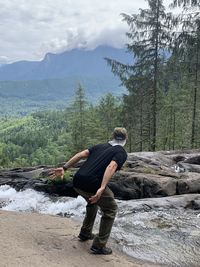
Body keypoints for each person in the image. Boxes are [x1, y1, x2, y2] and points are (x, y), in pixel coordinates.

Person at [50, 127, 128, 255]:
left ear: (112, 136)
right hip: (92, 184)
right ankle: (99, 245)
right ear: (126, 138)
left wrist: (65, 167)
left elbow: (80, 155)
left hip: (78, 181)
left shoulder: (99, 146)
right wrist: (102, 188)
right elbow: (112, 166)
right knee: (111, 208)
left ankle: (85, 233)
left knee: (93, 202)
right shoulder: (121, 152)